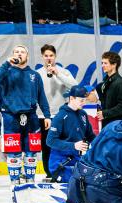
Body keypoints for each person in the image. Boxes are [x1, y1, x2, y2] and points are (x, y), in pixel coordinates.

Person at [0, 45, 52, 185]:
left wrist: (47, 115)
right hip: (10, 117)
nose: (19, 54)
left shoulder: (34, 75)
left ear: (27, 56)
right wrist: (7, 63)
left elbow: (41, 96)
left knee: (31, 152)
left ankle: (30, 182)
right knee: (14, 152)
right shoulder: (7, 71)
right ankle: (15, 183)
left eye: (22, 52)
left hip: (31, 118)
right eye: (16, 52)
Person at [37, 44, 78, 178]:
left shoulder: (63, 71)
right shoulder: (37, 74)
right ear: (42, 57)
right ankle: (49, 172)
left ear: (55, 56)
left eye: (51, 55)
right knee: (46, 144)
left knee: (61, 144)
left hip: (61, 115)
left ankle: (62, 170)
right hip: (44, 116)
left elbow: (75, 86)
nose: (49, 58)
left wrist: (58, 74)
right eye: (46, 56)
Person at [46, 85, 97, 183]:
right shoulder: (60, 117)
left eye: (85, 100)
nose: (84, 103)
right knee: (79, 182)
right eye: (81, 100)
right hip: (60, 162)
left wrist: (101, 145)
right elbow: (50, 141)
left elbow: (90, 135)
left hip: (77, 159)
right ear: (72, 98)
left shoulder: (83, 114)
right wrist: (73, 145)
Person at [96, 51, 122, 128]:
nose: (102, 65)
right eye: (102, 63)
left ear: (114, 65)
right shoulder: (106, 81)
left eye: (105, 63)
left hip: (117, 125)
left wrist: (105, 113)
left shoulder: (120, 83)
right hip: (108, 123)